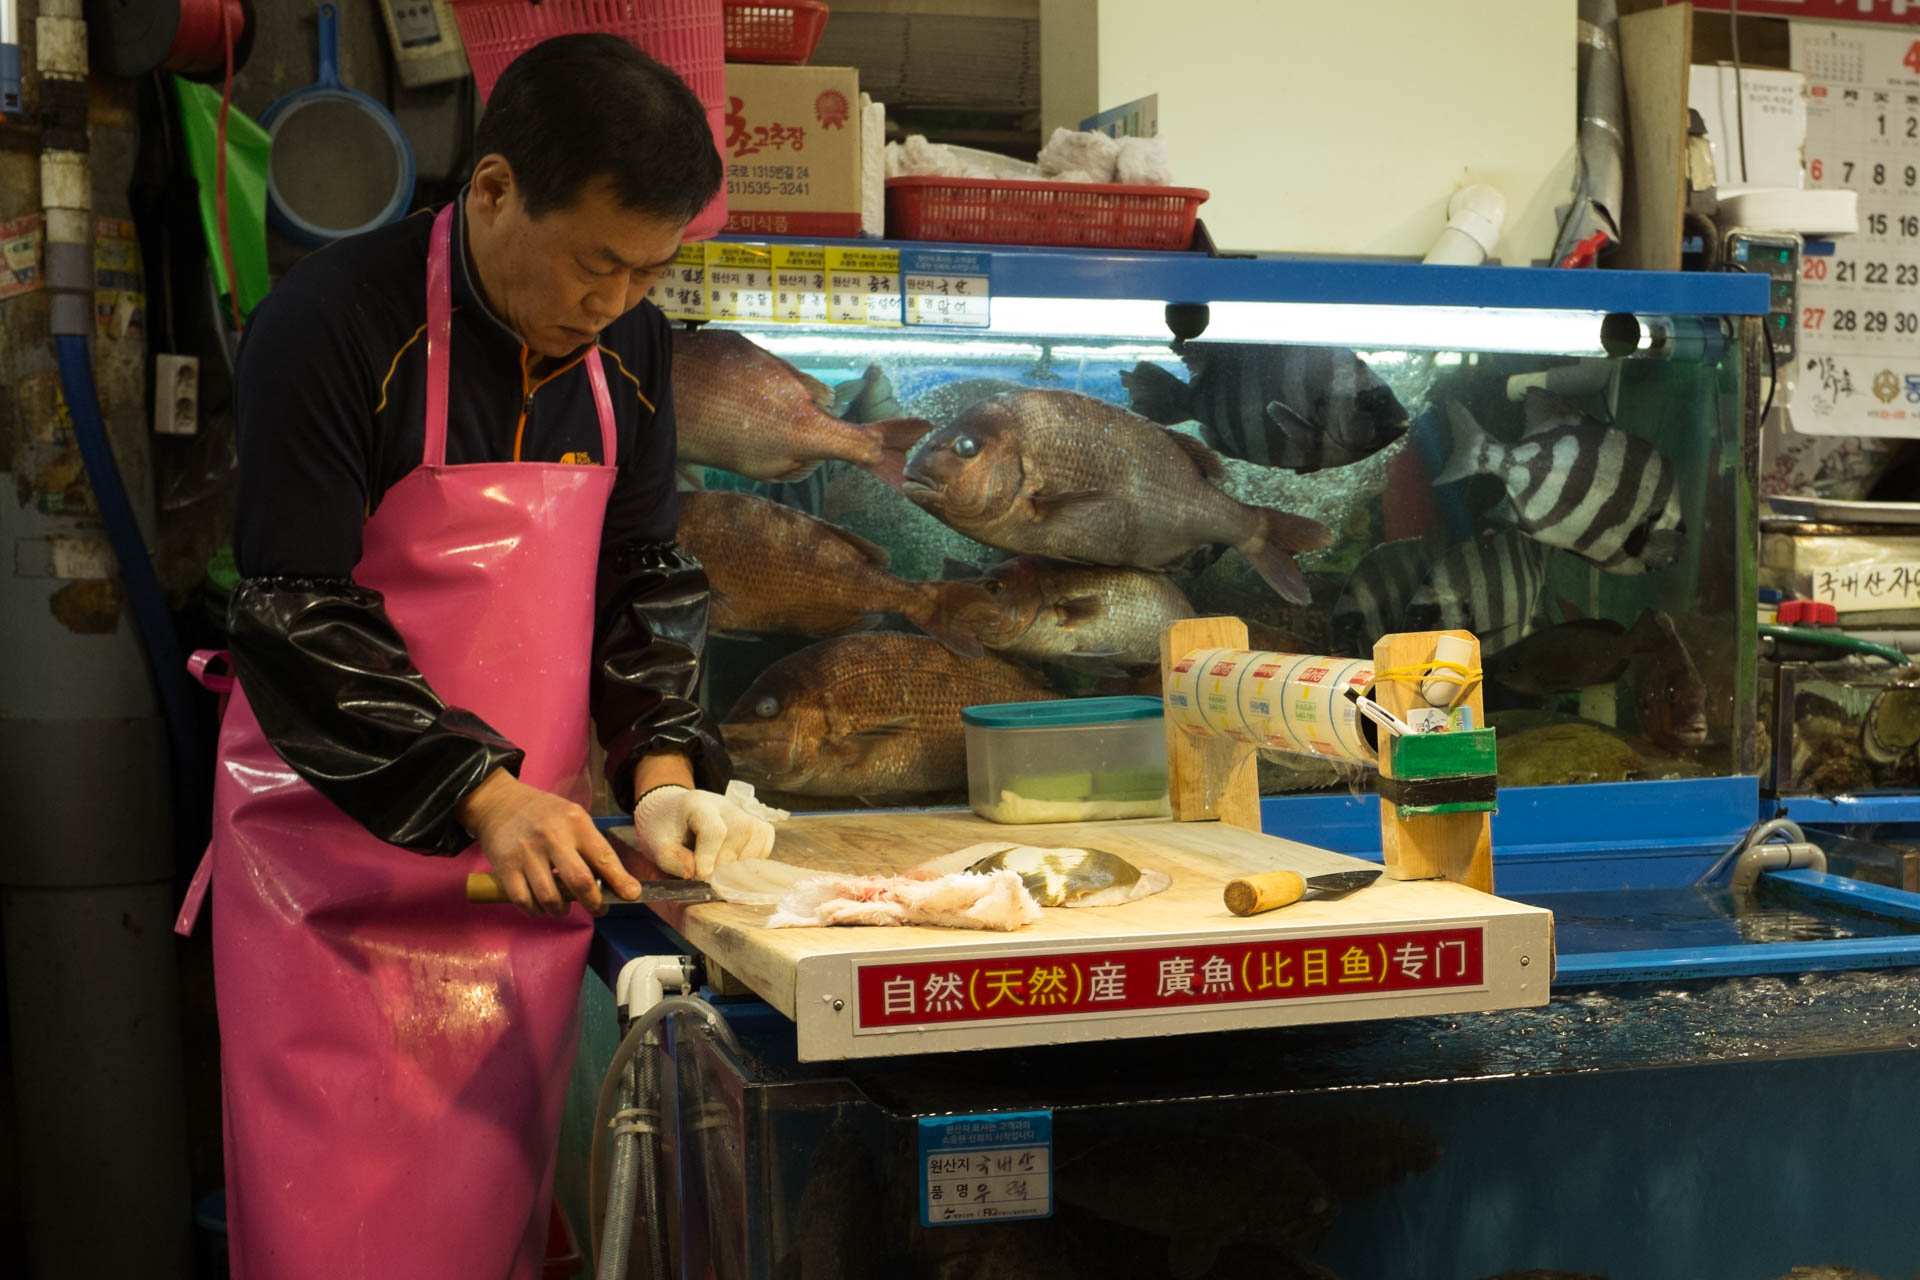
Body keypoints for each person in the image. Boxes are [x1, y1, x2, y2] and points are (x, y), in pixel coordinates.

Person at [174, 35, 773, 1278]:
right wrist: (484, 795)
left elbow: (642, 576)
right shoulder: (331, 325)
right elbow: (297, 612)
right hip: (331, 892)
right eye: (595, 261)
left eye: (650, 271)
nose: (613, 301)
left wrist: (664, 775)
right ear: (491, 191)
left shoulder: (634, 346)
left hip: (524, 891)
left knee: (493, 1232)